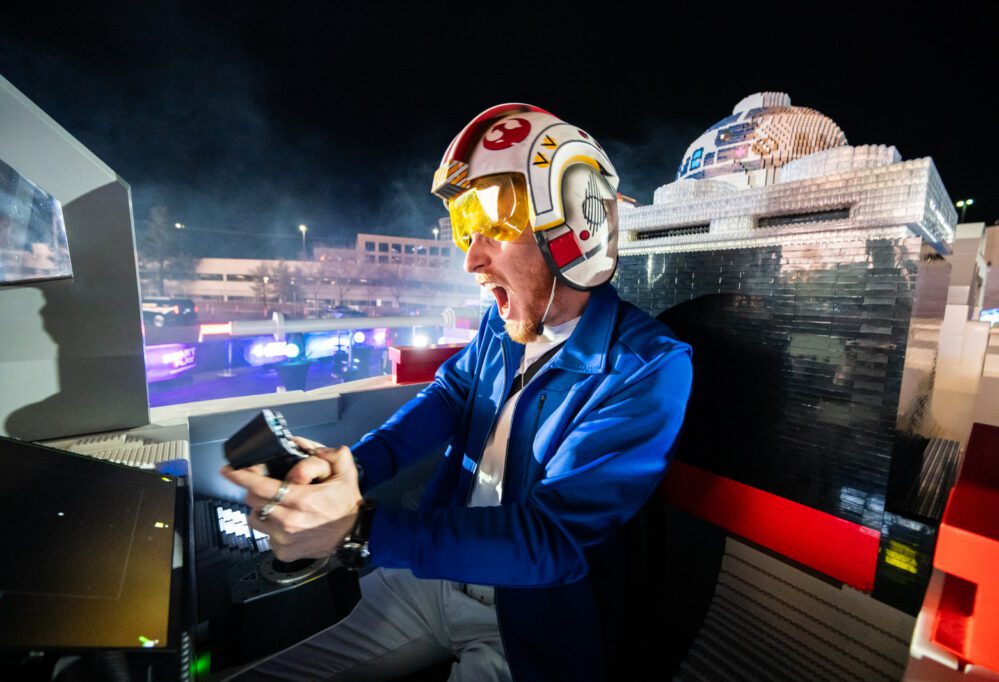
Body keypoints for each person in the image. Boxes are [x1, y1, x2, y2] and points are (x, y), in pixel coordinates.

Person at [222, 103, 693, 681]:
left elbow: (550, 538)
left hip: (527, 627)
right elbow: (450, 396)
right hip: (434, 573)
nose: (471, 258)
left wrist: (359, 528)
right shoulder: (504, 323)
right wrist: (354, 465)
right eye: (467, 232)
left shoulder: (647, 368)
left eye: (495, 228)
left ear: (577, 226)